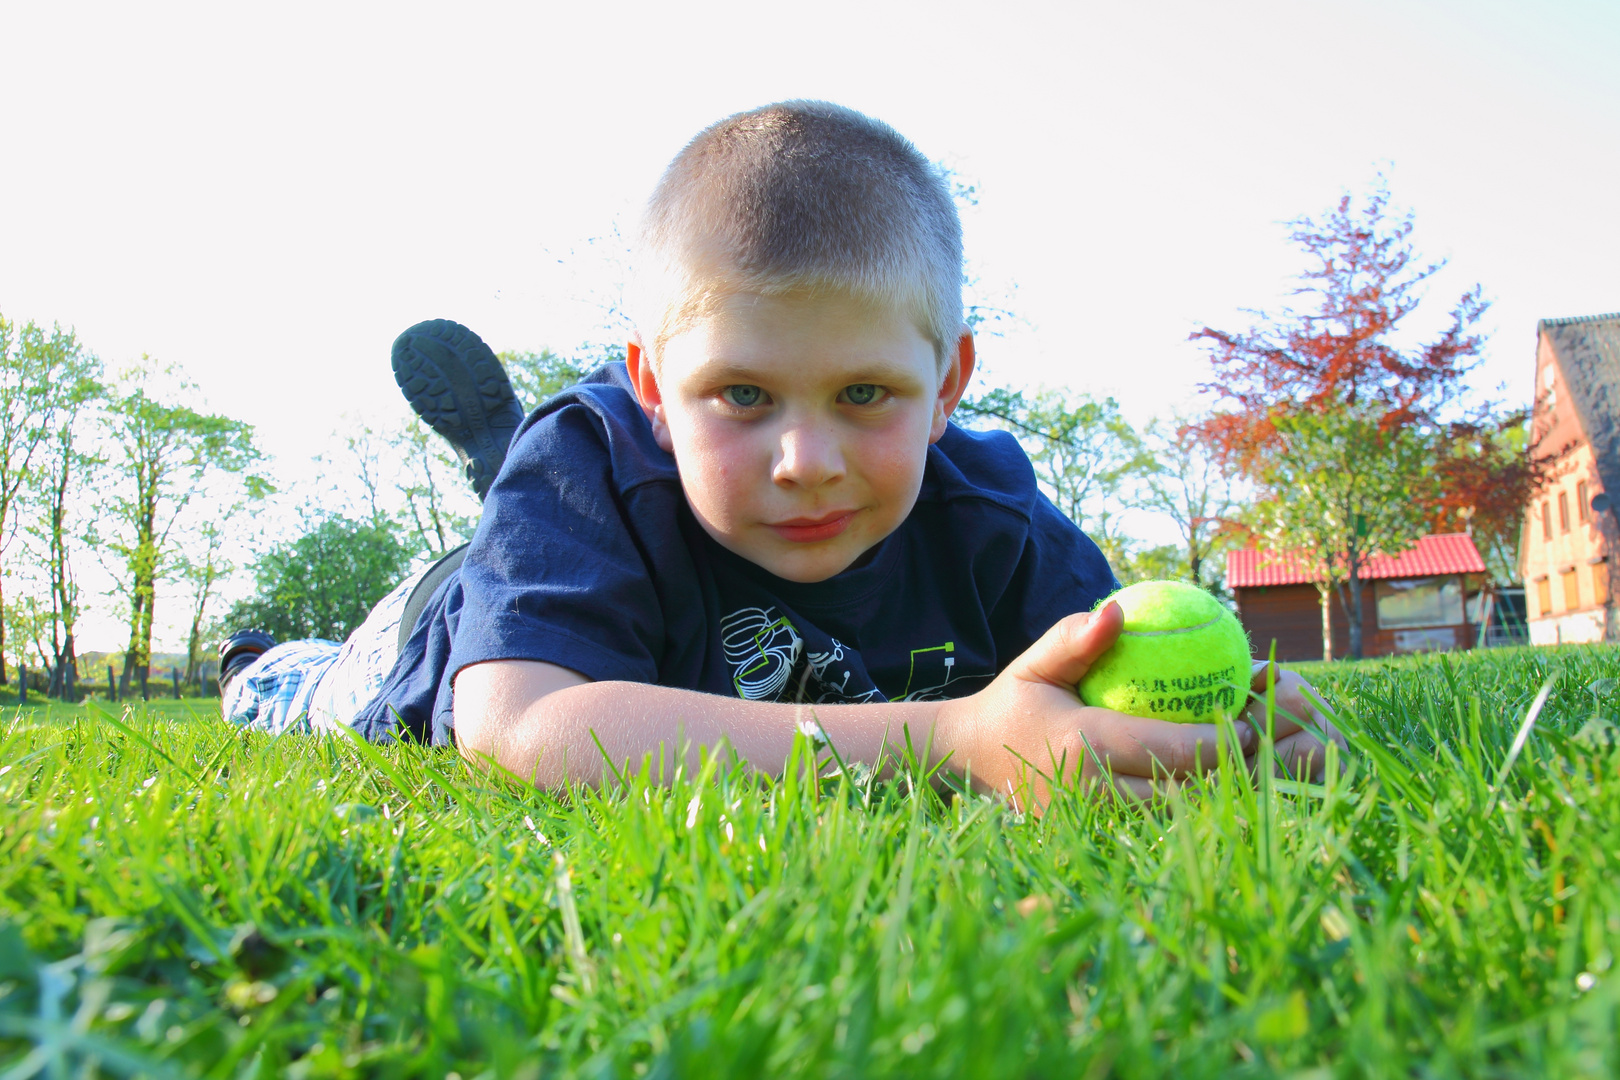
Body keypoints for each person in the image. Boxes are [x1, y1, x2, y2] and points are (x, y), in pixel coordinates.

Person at [221, 101, 1343, 807]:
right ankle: (327, 613)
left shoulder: (988, 510)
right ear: (655, 386)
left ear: (948, 385)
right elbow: (521, 727)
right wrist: (951, 738)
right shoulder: (595, 459)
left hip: (598, 526)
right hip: (429, 637)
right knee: (301, 691)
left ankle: (505, 480)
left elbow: (1087, 705)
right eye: (742, 395)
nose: (805, 458)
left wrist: (1226, 738)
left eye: (866, 394)